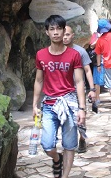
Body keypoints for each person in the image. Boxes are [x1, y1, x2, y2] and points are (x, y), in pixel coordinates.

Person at [32, 15, 87, 178]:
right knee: (47, 144)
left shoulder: (74, 55)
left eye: (59, 29)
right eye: (52, 29)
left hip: (69, 103)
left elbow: (79, 82)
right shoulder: (41, 55)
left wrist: (82, 108)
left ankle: (65, 176)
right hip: (49, 104)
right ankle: (57, 159)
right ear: (46, 32)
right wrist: (35, 105)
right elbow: (38, 80)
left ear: (64, 31)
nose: (56, 32)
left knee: (69, 144)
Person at [63, 25, 97, 153]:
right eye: (63, 34)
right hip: (63, 90)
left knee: (80, 116)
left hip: (78, 90)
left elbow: (88, 70)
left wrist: (92, 89)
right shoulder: (57, 51)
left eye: (68, 35)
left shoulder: (80, 51)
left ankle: (82, 138)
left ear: (73, 36)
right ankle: (69, 142)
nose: (65, 37)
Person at [87, 32, 103, 110]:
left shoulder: (95, 36)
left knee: (97, 82)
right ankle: (97, 98)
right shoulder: (96, 38)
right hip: (97, 65)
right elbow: (92, 44)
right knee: (97, 82)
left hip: (97, 64)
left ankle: (97, 98)